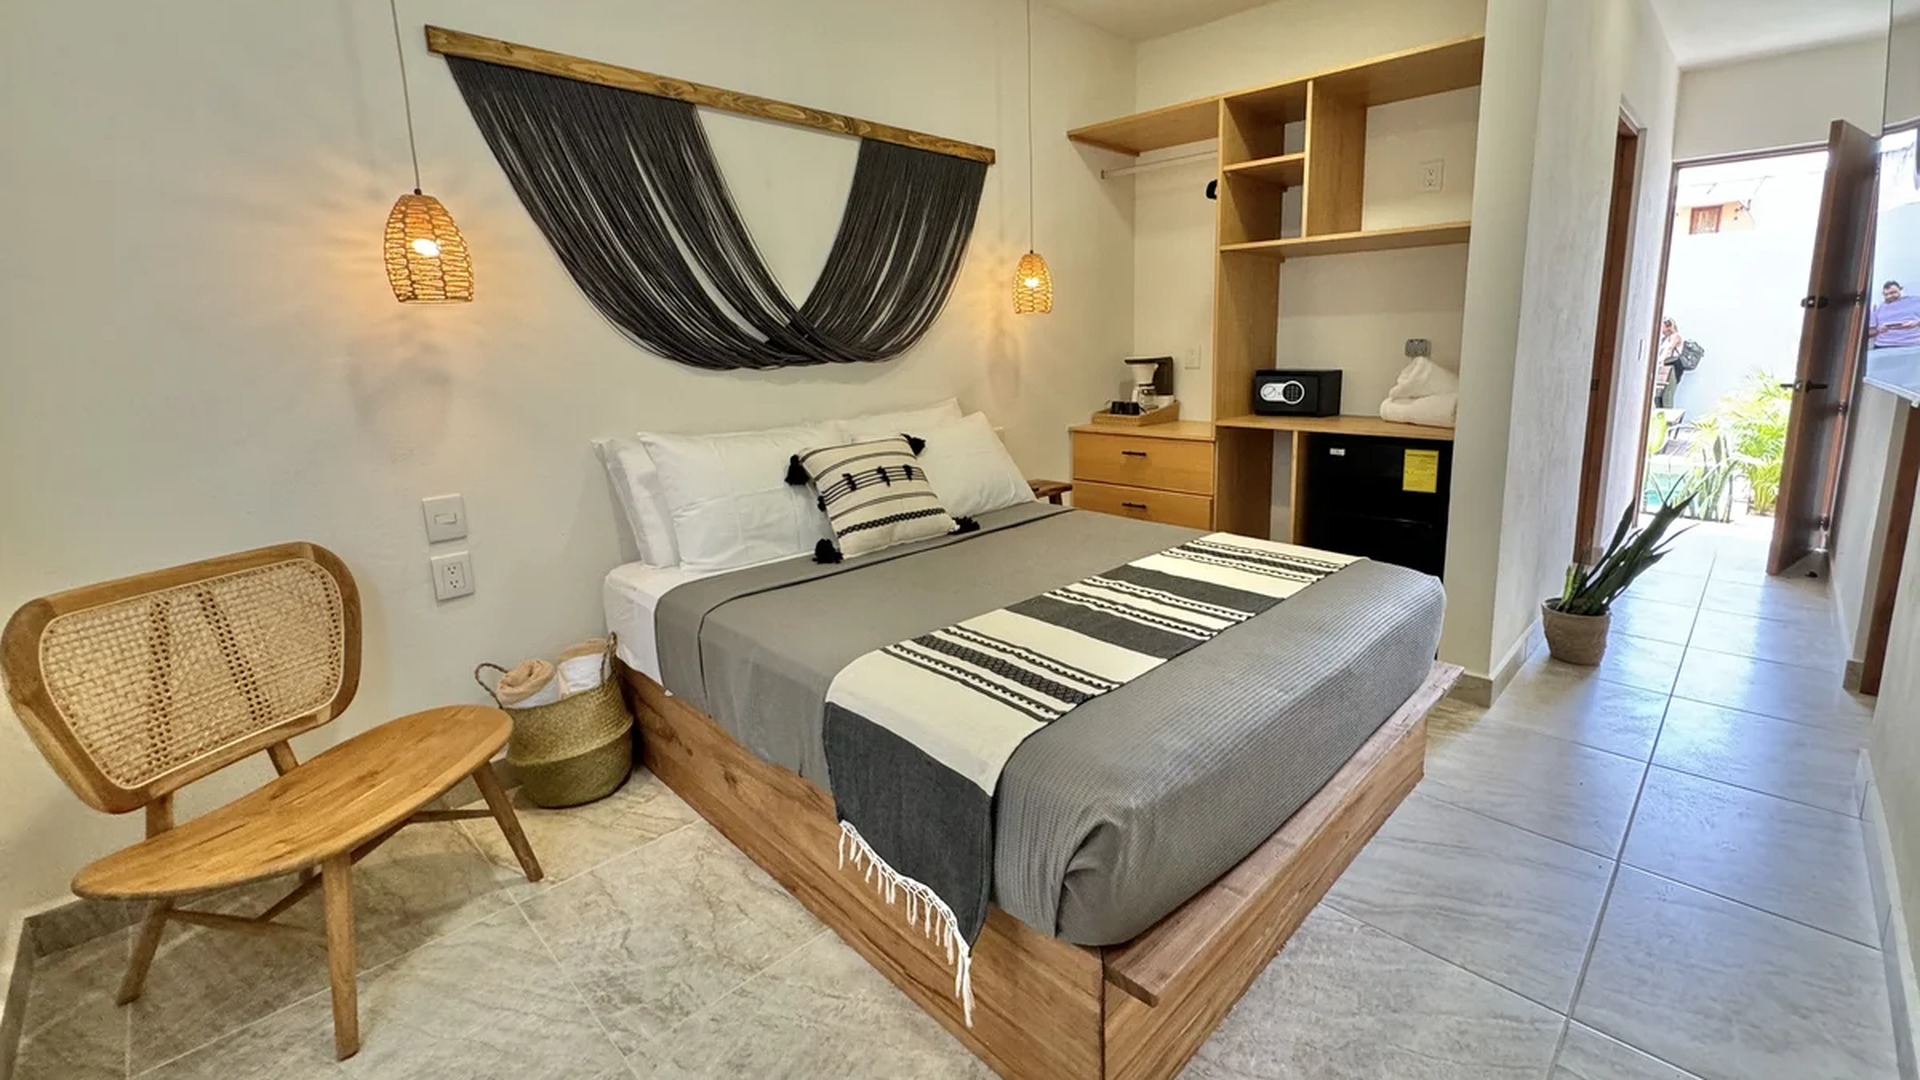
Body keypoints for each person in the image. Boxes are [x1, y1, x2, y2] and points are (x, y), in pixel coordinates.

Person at [1869, 280, 1920, 348]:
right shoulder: (1878, 307)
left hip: (1914, 344)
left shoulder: (1916, 301)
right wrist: (1878, 330)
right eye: (1886, 294)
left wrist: (1917, 323)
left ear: (1900, 289)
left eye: (1892, 293)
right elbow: (1870, 331)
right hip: (1884, 345)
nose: (1889, 296)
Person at [1655, 318, 1686, 409]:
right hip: (1665, 366)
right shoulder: (1664, 338)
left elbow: (1669, 349)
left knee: (1667, 394)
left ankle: (1667, 414)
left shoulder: (1675, 336)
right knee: (1658, 395)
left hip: (1672, 366)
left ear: (1668, 326)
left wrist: (1660, 361)